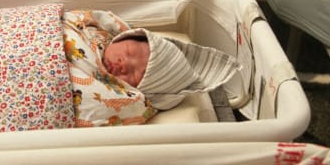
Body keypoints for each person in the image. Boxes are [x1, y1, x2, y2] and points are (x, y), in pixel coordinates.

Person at [101, 27, 240, 109]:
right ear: (123, 37)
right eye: (128, 51)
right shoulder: (98, 31)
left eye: (136, 73)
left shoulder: (115, 101)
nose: (123, 64)